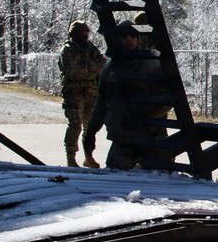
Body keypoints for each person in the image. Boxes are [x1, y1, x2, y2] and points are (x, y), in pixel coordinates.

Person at [85, 22, 168, 171]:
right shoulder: (109, 71)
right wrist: (91, 131)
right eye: (124, 36)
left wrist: (145, 115)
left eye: (133, 35)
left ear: (138, 39)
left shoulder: (153, 65)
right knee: (115, 176)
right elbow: (102, 104)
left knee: (160, 177)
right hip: (124, 139)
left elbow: (167, 99)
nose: (129, 39)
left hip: (152, 137)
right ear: (117, 39)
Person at [57, 20, 105, 168]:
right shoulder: (67, 50)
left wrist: (88, 69)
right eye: (81, 32)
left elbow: (102, 63)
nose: (85, 35)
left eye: (86, 32)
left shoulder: (91, 48)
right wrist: (91, 69)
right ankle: (71, 158)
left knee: (89, 127)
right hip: (74, 94)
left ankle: (88, 156)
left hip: (90, 92)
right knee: (75, 126)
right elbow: (72, 71)